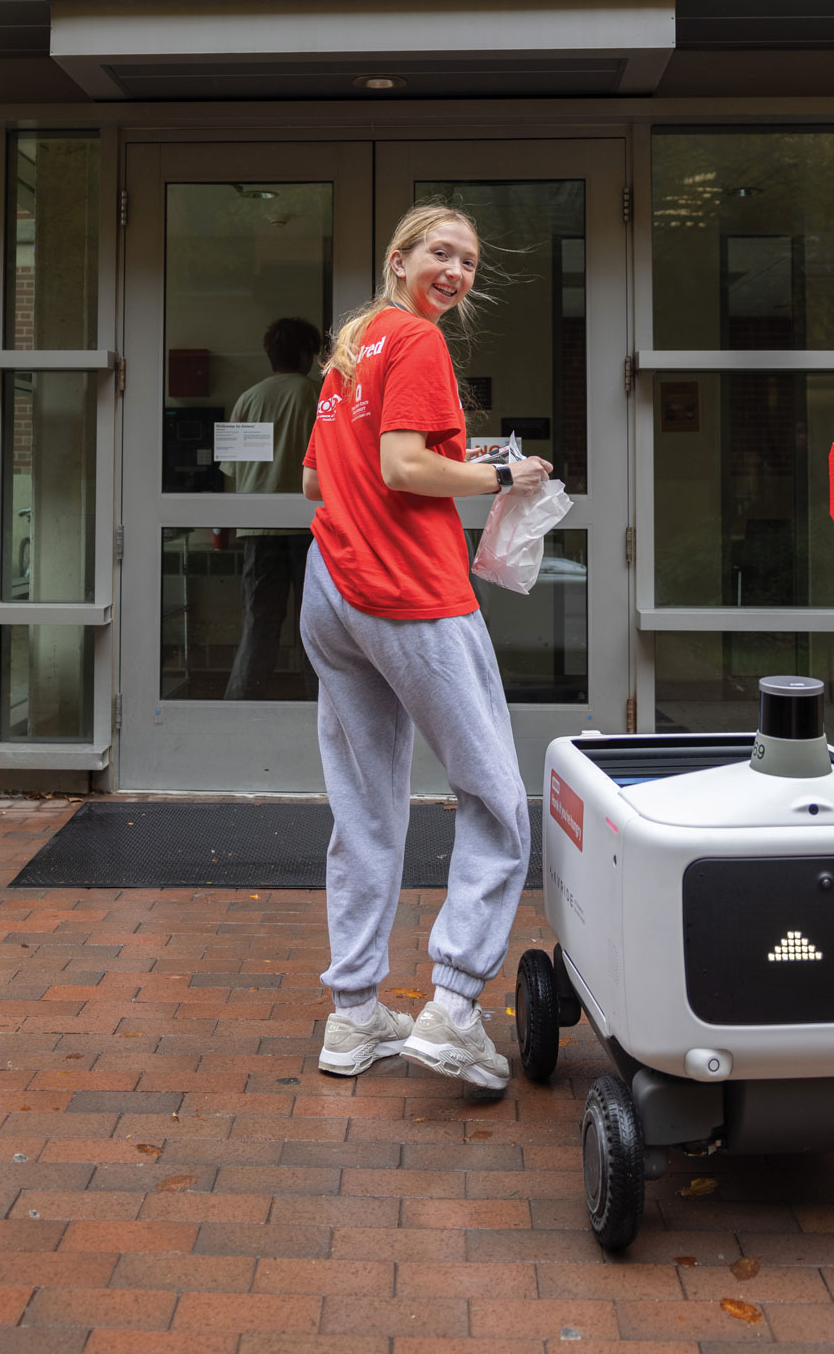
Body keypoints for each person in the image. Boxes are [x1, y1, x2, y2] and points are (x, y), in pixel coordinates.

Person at [300, 203, 552, 1090]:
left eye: (469, 262)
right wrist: (500, 474)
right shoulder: (416, 342)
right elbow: (404, 468)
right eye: (441, 253)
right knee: (494, 801)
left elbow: (317, 476)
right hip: (408, 591)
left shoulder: (355, 343)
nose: (456, 271)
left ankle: (354, 1017)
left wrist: (453, 458)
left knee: (366, 809)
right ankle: (451, 1010)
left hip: (332, 587)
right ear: (398, 257)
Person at [221, 317, 322, 701]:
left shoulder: (248, 399)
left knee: (258, 626)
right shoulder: (319, 395)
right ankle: (319, 709)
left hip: (258, 531)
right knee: (315, 627)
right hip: (311, 530)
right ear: (307, 354)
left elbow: (233, 469)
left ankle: (240, 706)